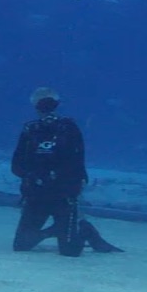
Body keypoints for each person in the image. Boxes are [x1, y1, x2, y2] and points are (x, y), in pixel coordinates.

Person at [10, 87, 121, 256]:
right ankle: (56, 229)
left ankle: (83, 229)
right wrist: (34, 177)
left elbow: (77, 162)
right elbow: (17, 165)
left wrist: (69, 187)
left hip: (62, 197)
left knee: (70, 252)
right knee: (21, 245)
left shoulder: (68, 128)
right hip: (37, 195)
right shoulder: (30, 130)